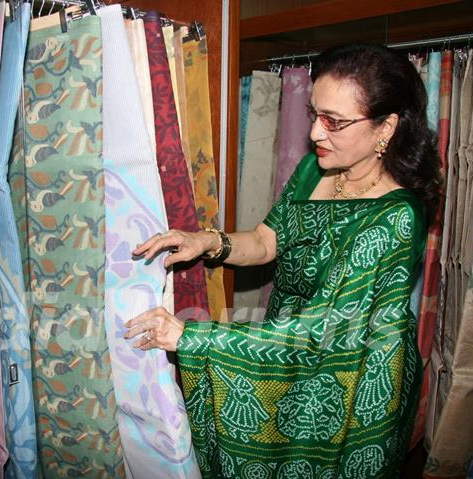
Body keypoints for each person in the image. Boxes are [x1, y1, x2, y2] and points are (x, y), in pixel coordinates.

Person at [124, 43, 441, 478]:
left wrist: (192, 337)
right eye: (315, 114)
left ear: (386, 127)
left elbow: (320, 332)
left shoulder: (396, 217)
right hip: (283, 341)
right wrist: (206, 241)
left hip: (349, 374)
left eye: (335, 121)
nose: (315, 133)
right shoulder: (318, 168)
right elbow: (265, 240)